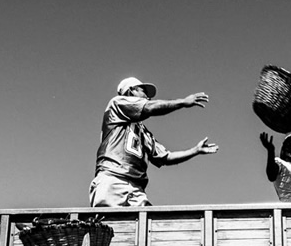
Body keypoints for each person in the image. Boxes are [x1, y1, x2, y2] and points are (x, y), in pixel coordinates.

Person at [89, 76, 219, 207]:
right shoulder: (116, 105)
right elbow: (149, 108)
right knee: (108, 224)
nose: (147, 96)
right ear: (131, 91)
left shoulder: (143, 133)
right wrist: (183, 102)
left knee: (149, 223)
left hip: (136, 188)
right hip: (113, 179)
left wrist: (195, 151)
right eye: (143, 91)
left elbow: (166, 157)